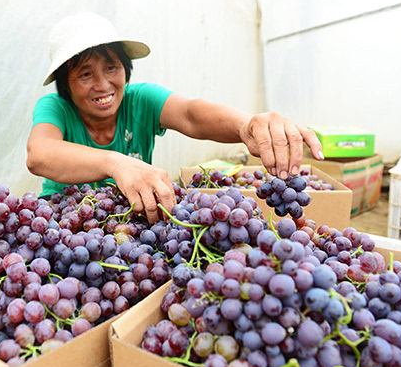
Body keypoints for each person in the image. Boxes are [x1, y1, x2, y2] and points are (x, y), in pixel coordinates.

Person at [27, 12, 323, 223]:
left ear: (125, 70)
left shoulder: (139, 99)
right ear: (66, 83)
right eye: (85, 74)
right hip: (62, 222)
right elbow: (40, 154)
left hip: (129, 220)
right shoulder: (55, 107)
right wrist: (116, 163)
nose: (103, 84)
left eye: (112, 68)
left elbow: (191, 114)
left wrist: (247, 124)